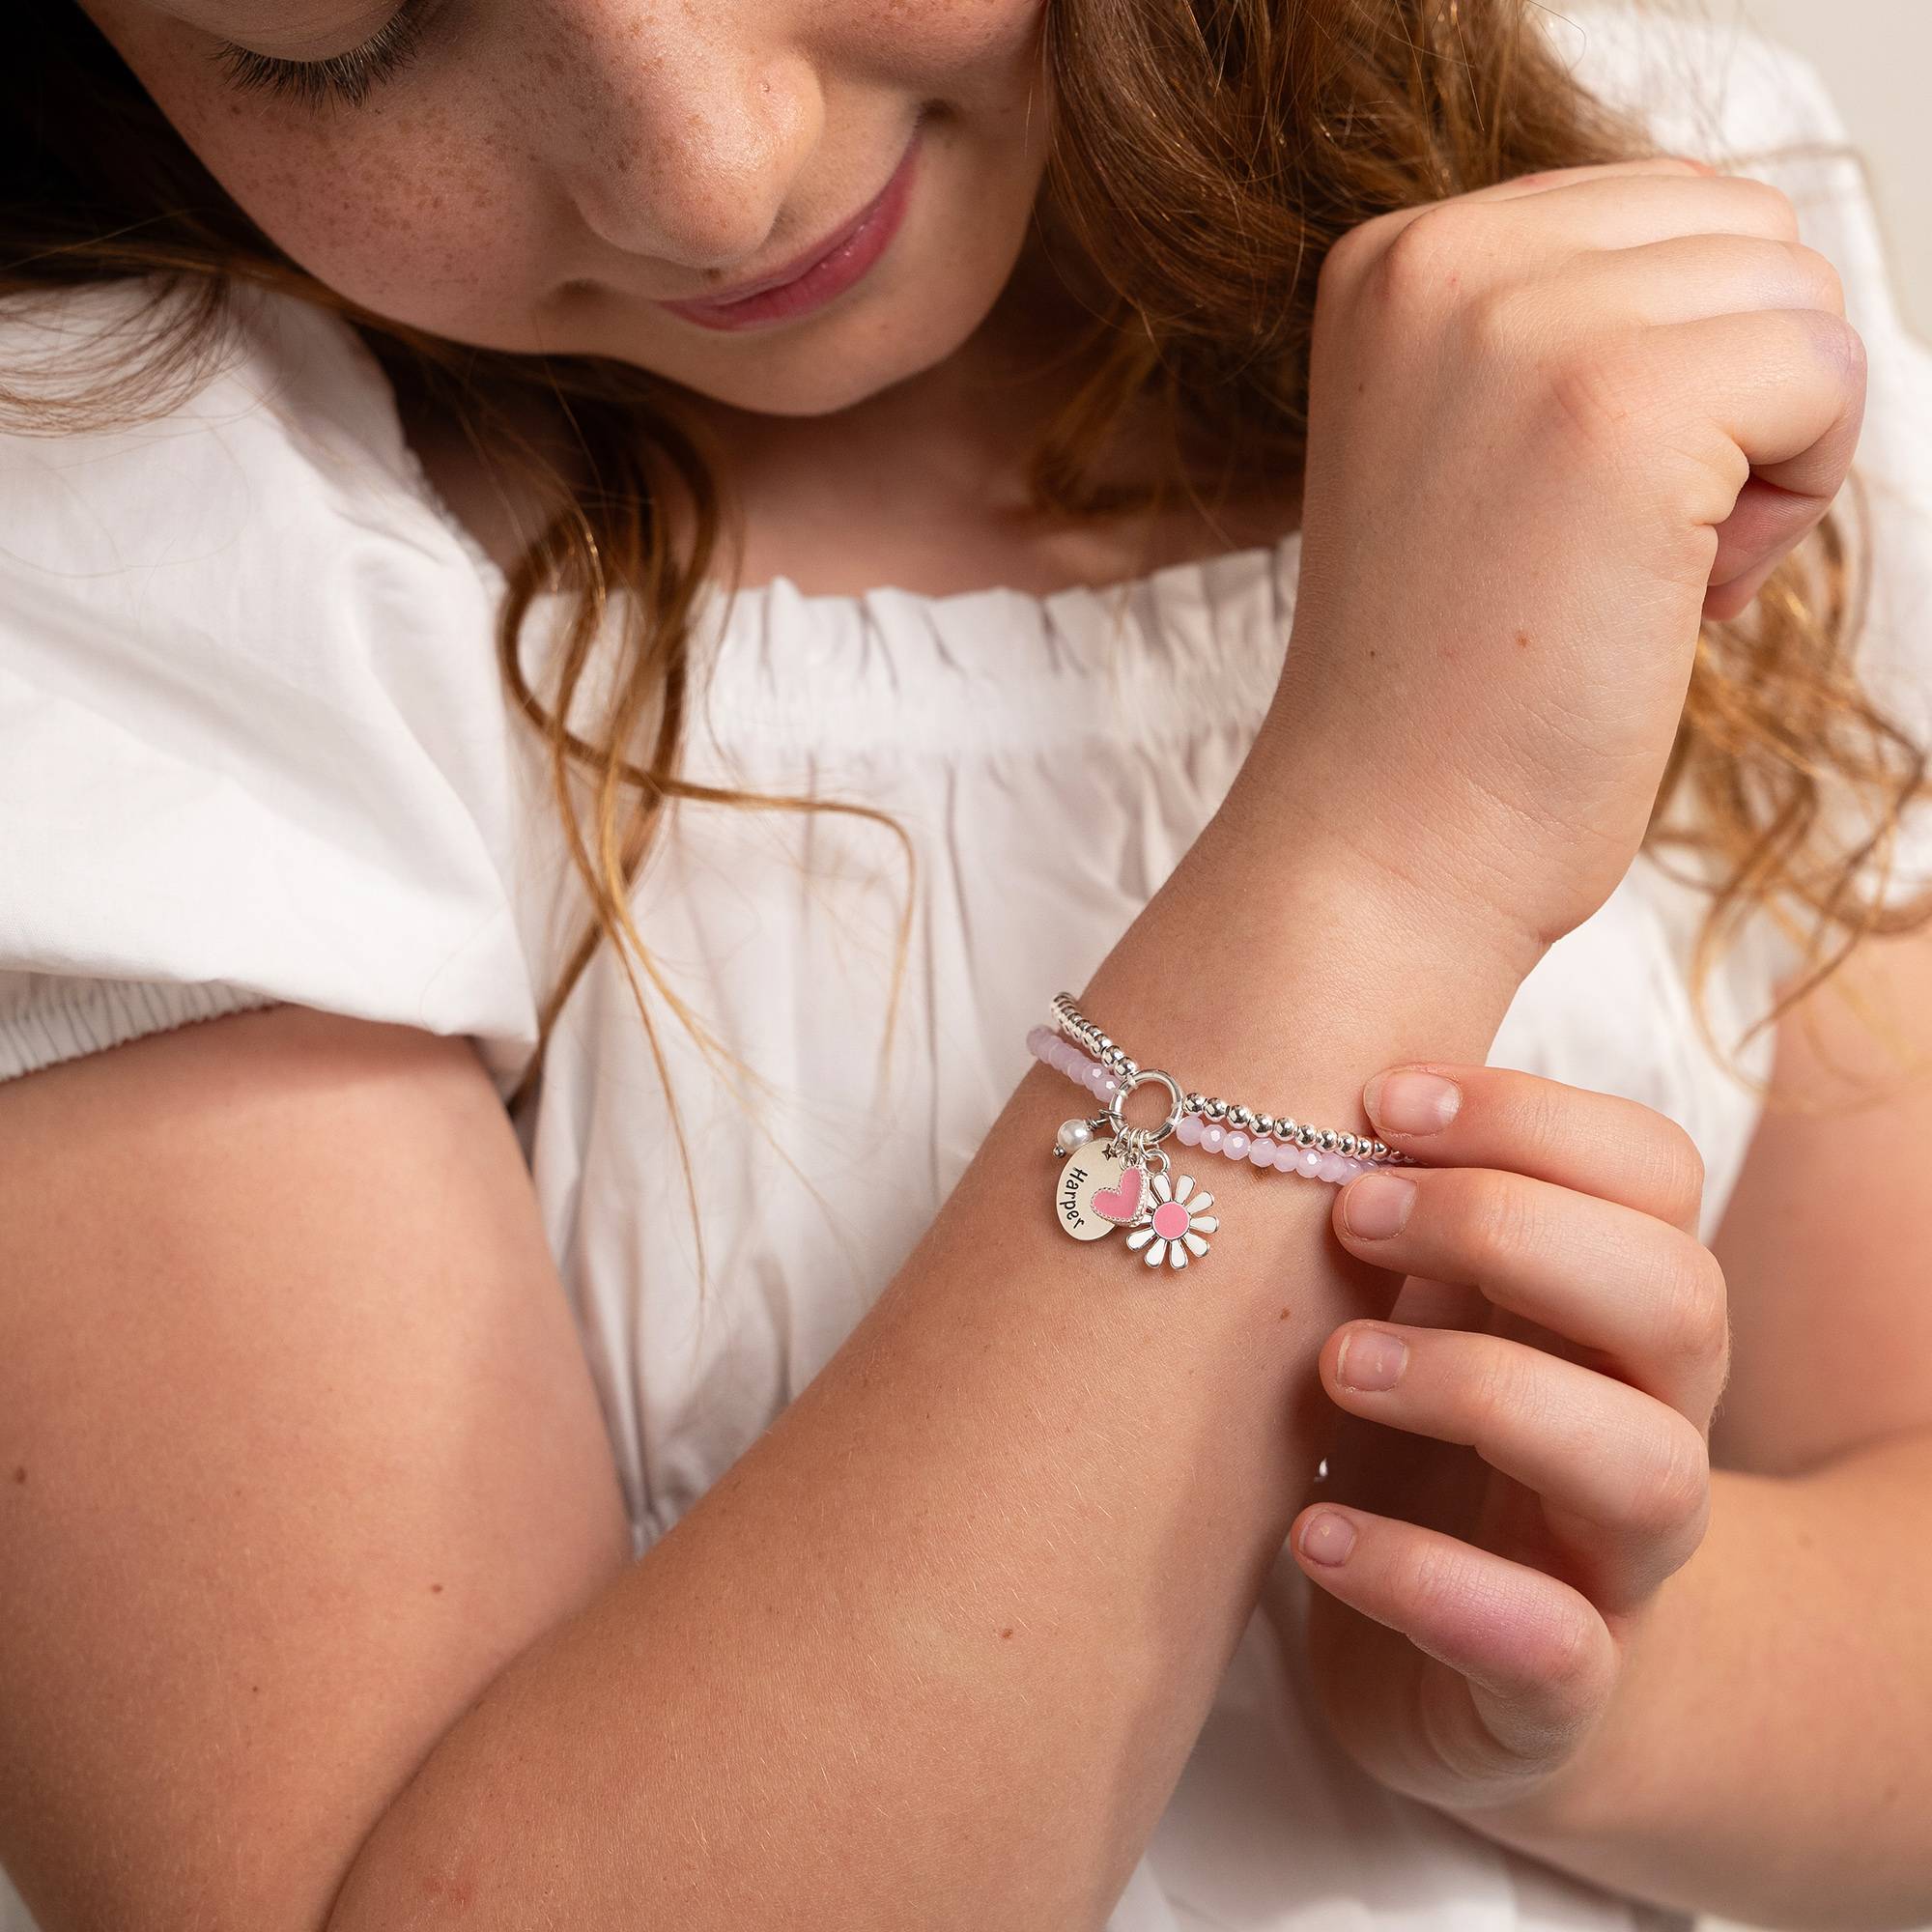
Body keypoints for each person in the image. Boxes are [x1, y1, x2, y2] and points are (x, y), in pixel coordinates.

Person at [2, 0, 1928, 1927]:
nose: (709, 174)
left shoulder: (1620, 235)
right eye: (334, 32)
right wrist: (1382, 853)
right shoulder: (119, 526)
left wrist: (1589, 1689)